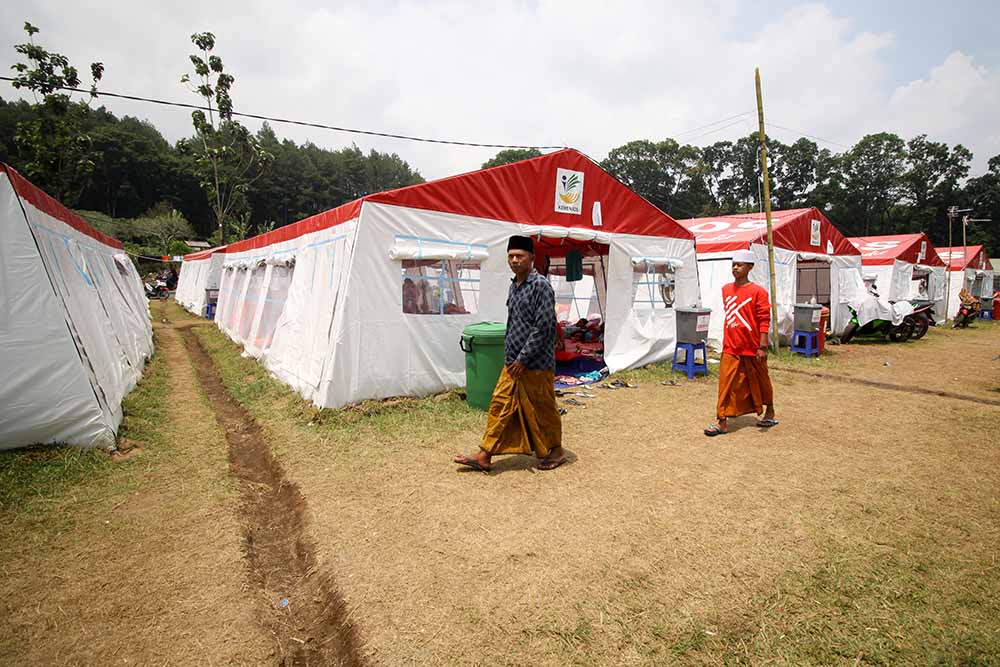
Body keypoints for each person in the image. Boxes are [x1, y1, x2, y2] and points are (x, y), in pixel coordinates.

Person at [454, 235, 566, 471]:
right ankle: (484, 454)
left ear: (531, 258)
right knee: (500, 403)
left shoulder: (540, 286)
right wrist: (514, 357)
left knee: (542, 408)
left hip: (536, 363)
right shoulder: (514, 285)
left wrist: (523, 358)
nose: (514, 260)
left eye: (519, 256)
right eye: (511, 256)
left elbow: (544, 327)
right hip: (513, 362)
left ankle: (556, 451)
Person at [705, 249, 777, 436]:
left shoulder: (759, 292)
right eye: (733, 265)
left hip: (753, 346)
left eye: (740, 265)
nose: (735, 268)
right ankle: (722, 420)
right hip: (731, 345)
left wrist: (762, 346)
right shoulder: (726, 290)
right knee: (726, 382)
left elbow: (764, 319)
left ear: (750, 267)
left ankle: (769, 411)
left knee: (761, 380)